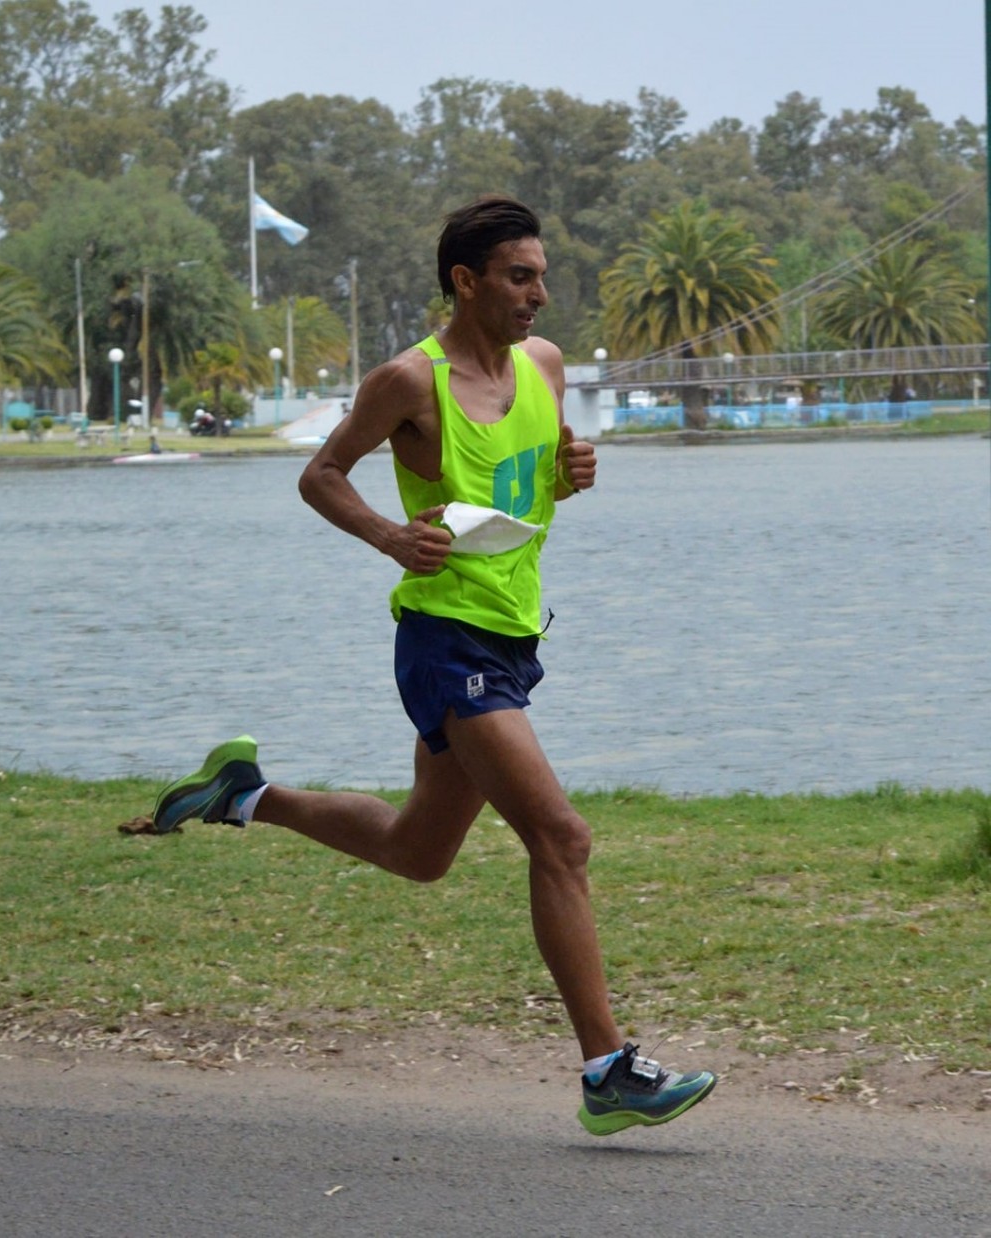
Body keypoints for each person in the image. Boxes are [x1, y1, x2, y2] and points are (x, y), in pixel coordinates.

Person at [153, 196, 716, 1135]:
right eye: (519, 276)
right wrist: (386, 535)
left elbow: (525, 492)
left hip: (513, 631)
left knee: (419, 853)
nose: (539, 294)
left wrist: (571, 473)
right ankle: (608, 1070)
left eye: (541, 275)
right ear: (466, 280)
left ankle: (244, 795)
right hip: (443, 640)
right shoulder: (410, 381)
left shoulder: (544, 365)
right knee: (562, 838)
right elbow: (321, 474)